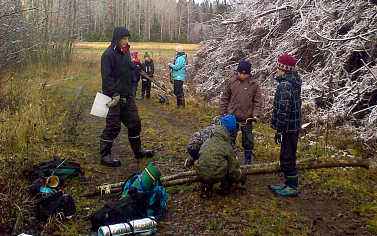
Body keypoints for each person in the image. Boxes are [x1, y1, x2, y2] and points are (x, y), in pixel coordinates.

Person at [100, 26, 154, 167]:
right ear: (117, 39)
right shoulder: (108, 55)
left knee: (135, 123)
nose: (126, 41)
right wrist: (114, 94)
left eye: (128, 38)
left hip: (127, 95)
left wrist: (133, 67)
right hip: (114, 97)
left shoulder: (126, 52)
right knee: (113, 127)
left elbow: (126, 72)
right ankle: (105, 155)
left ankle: (138, 151)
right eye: (124, 39)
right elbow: (107, 78)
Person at [268, 54, 302, 197]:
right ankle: (288, 183)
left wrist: (279, 130)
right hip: (293, 127)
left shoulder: (285, 85)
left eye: (279, 65)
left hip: (288, 128)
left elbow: (283, 109)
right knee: (289, 156)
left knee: (287, 158)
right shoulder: (293, 82)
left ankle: (292, 186)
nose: (277, 68)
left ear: (283, 68)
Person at [219, 60, 262, 165]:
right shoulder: (231, 82)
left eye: (245, 74)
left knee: (248, 140)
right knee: (230, 138)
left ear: (248, 73)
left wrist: (255, 114)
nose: (242, 76)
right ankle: (231, 159)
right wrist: (221, 113)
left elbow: (258, 101)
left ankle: (248, 160)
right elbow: (225, 98)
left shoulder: (254, 84)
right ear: (237, 72)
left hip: (247, 118)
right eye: (241, 73)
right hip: (232, 117)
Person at [195, 115, 247, 198]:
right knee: (226, 165)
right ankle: (225, 188)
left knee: (209, 163)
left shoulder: (207, 141)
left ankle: (206, 187)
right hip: (216, 174)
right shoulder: (226, 146)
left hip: (201, 172)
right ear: (230, 132)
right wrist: (241, 178)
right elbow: (233, 169)